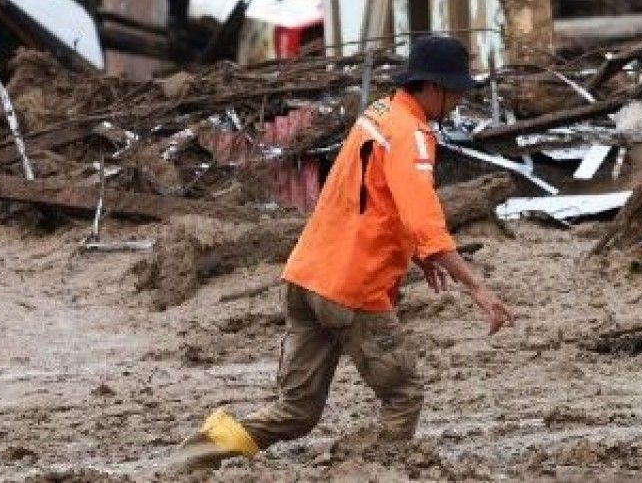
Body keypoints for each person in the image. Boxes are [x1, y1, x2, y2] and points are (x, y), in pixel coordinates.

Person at [172, 35, 514, 470]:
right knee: (404, 395)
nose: (460, 100)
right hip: (353, 287)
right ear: (432, 87)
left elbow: (373, 200)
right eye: (456, 91)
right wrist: (477, 289)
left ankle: (195, 456)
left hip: (307, 276)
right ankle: (364, 469)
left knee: (297, 410)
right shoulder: (411, 135)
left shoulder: (378, 114)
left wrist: (419, 255)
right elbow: (424, 219)